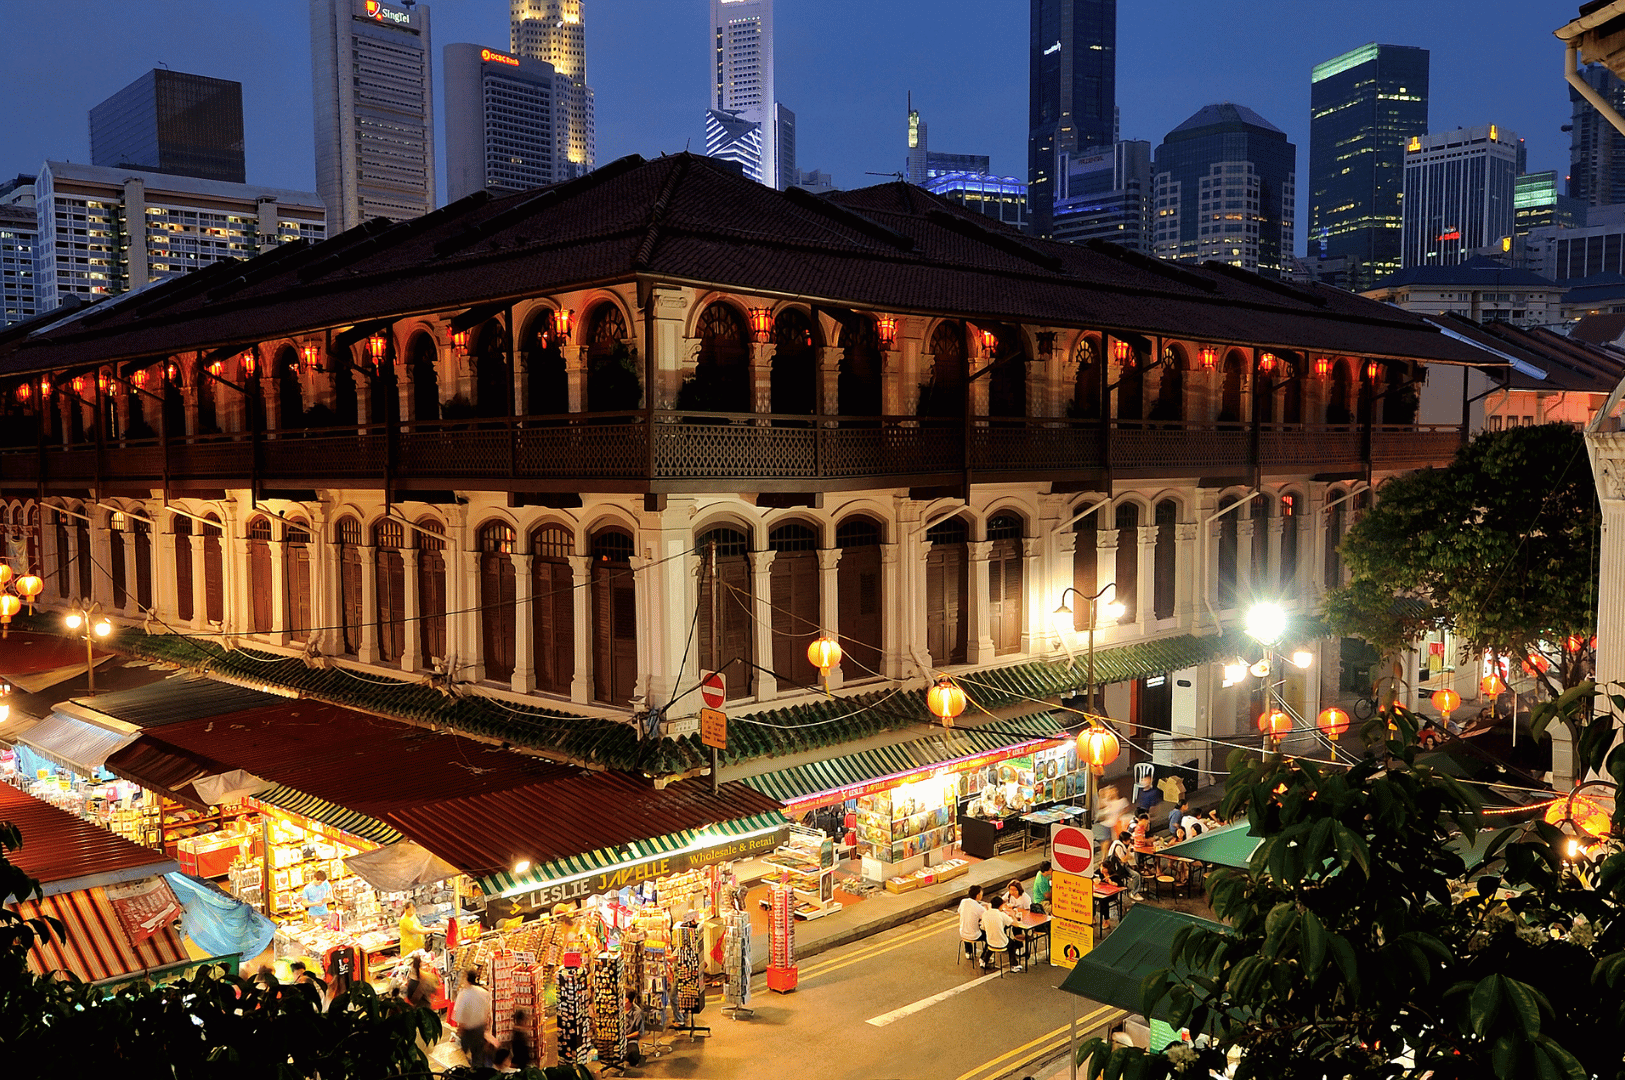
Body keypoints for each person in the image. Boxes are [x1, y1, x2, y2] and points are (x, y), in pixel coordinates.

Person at [452, 968, 492, 1068]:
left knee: (462, 1057)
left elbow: (460, 1016)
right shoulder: (484, 992)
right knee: (478, 1055)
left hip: (468, 1031)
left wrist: (459, 1030)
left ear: (467, 979)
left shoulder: (463, 994)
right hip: (480, 1028)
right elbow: (487, 1011)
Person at [981, 896, 1024, 972]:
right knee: (1012, 944)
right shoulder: (1001, 914)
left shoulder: (985, 914)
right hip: (1001, 943)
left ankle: (984, 961)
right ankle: (1014, 965)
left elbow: (983, 927)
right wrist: (1013, 915)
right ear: (1001, 906)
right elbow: (1016, 924)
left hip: (989, 941)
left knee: (991, 945)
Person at [1107, 830, 1144, 900]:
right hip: (1119, 868)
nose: (1130, 841)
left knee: (1138, 868)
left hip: (1123, 865)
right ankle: (1134, 893)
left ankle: (1138, 887)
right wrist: (1128, 851)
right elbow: (1123, 860)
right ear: (1124, 841)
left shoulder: (1120, 844)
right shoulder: (1118, 847)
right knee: (1136, 875)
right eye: (1129, 840)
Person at [957, 885, 987, 963]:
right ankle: (984, 957)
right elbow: (985, 917)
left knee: (968, 926)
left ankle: (968, 952)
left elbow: (959, 912)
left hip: (962, 933)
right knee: (989, 937)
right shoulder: (979, 907)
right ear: (978, 895)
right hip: (974, 935)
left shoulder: (963, 901)